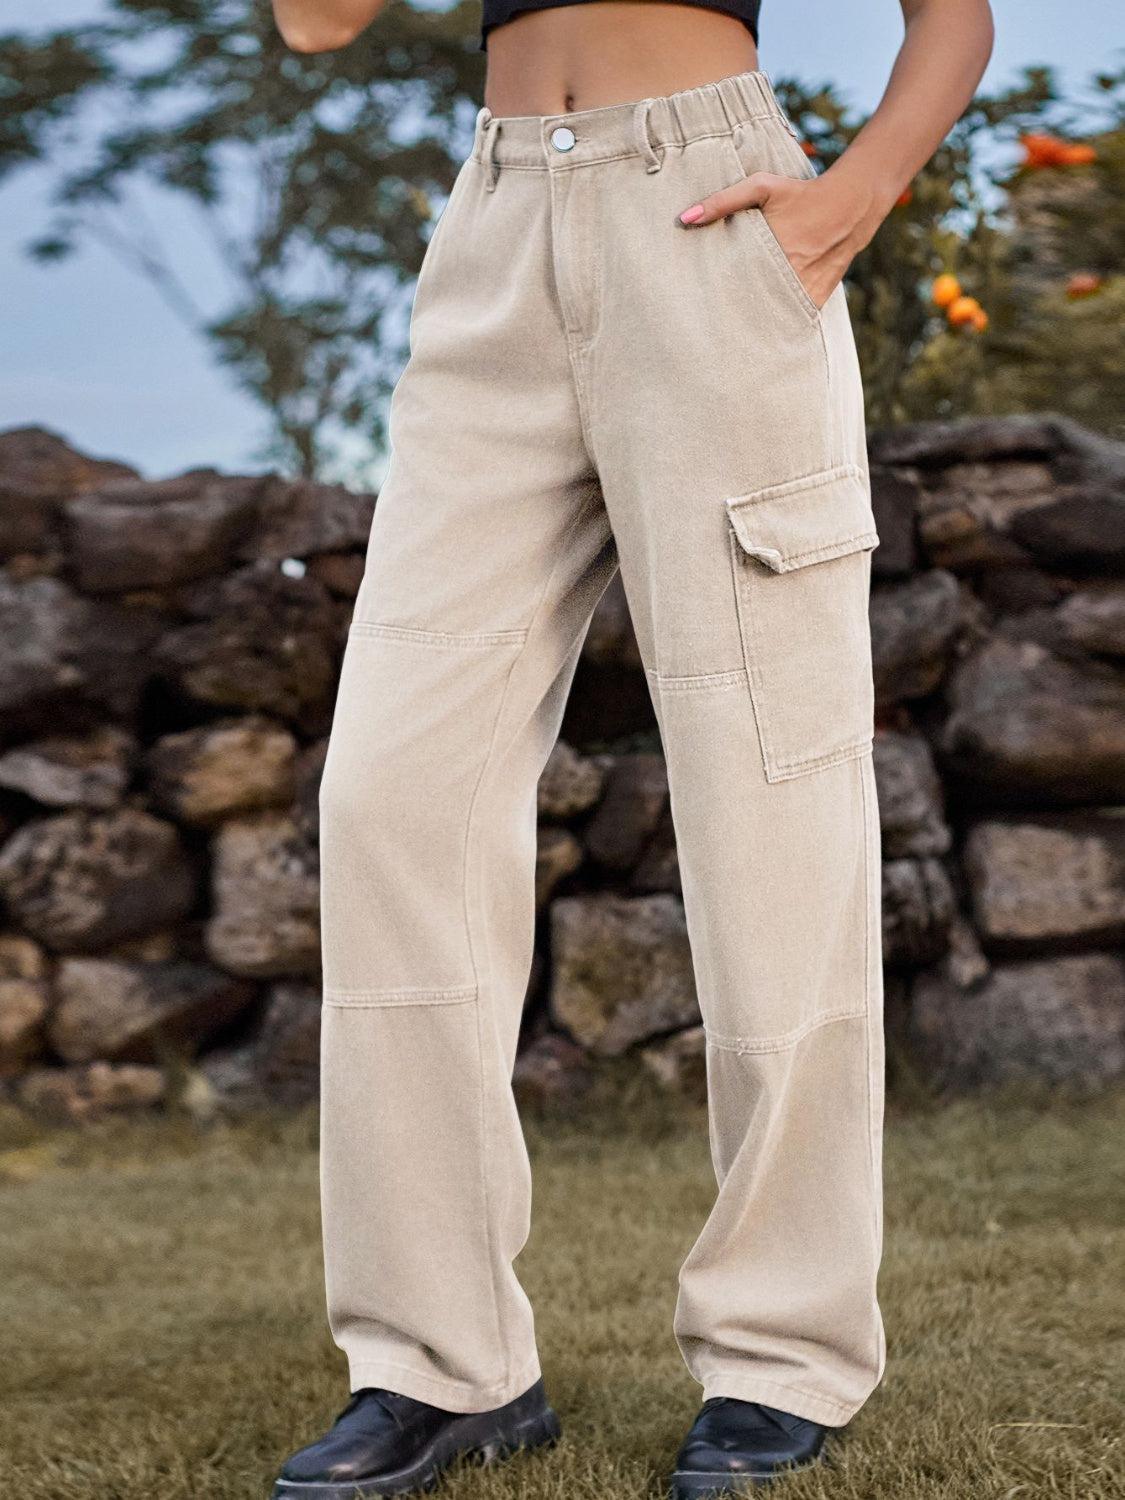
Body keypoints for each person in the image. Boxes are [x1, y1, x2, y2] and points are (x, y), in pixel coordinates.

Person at [268, 0, 993, 1494]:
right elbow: (316, 21)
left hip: (710, 210)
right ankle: (439, 1360)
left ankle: (782, 1348)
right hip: (493, 231)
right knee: (390, 797)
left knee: (767, 790)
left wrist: (850, 195)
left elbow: (954, 13)